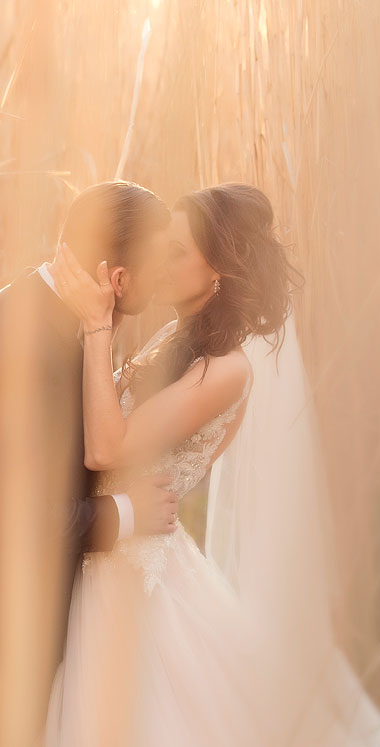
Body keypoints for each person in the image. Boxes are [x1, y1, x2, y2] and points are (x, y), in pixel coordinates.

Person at [44, 183, 380, 746]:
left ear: (220, 271)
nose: (161, 262)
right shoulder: (169, 339)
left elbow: (105, 450)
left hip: (136, 584)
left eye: (178, 250)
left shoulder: (229, 369)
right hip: (102, 557)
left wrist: (95, 324)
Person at [0, 181, 181, 743]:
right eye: (157, 265)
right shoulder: (27, 347)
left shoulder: (59, 311)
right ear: (117, 278)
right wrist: (126, 513)